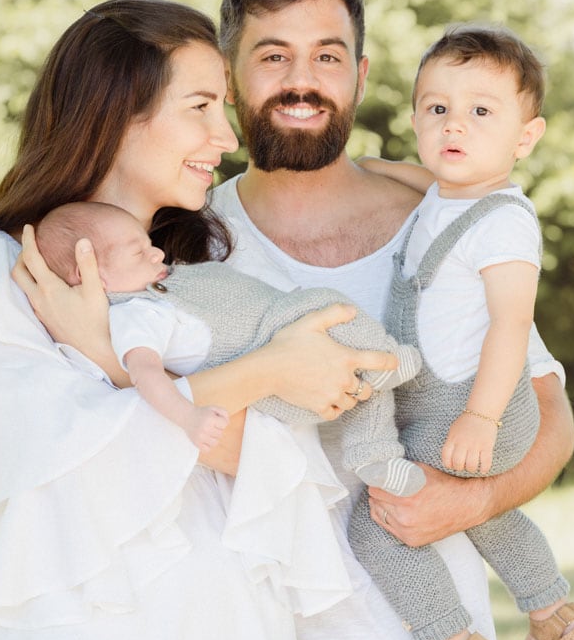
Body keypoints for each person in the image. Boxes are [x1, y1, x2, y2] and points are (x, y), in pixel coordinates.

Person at [0, 0, 399, 640]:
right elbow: (67, 461)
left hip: (237, 629)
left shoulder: (207, 272)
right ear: (119, 113)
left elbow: (280, 467)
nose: (226, 135)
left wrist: (109, 362)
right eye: (200, 107)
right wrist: (269, 369)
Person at [209, 0, 574, 640]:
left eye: (327, 55)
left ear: (362, 75)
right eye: (273, 56)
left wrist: (469, 502)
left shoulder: (443, 220)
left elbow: (549, 414)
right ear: (227, 76)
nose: (302, 79)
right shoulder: (190, 246)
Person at [347, 24, 574, 640]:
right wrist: (361, 169)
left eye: (480, 112)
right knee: (482, 513)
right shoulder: (443, 195)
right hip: (443, 401)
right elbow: (414, 177)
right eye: (437, 110)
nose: (453, 126)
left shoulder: (506, 222)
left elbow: (512, 326)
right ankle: (554, 612)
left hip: (478, 401)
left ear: (525, 137)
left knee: (379, 516)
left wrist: (481, 419)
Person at [35, 200, 425, 495]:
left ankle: (376, 457)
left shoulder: (164, 283)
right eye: (138, 252)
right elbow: (146, 374)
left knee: (355, 369)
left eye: (148, 243)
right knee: (328, 306)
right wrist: (187, 417)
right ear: (91, 274)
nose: (155, 253)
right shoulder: (136, 316)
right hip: (272, 360)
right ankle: (385, 358)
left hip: (282, 336)